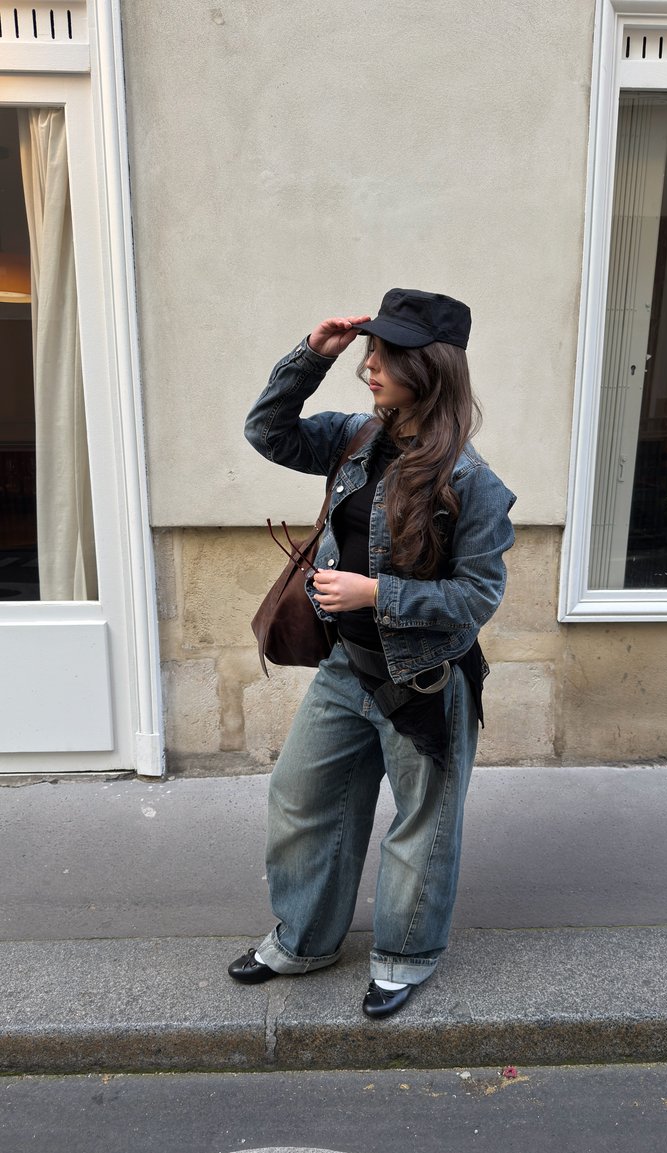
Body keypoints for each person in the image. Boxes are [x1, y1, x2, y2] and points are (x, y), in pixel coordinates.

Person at [230, 288, 516, 1018]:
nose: (370, 367)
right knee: (302, 797)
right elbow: (268, 432)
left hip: (422, 681)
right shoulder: (357, 436)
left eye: (386, 355)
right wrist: (310, 355)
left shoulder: (473, 483)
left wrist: (376, 594)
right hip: (343, 670)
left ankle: (406, 953)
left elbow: (475, 598)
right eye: (369, 351)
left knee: (421, 822)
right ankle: (306, 937)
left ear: (430, 368)